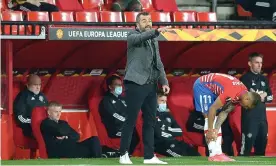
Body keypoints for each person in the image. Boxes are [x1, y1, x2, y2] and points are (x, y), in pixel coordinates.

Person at [119, 12, 170, 165]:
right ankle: (123, 154)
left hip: (151, 84)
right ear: (137, 24)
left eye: (149, 20)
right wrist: (154, 32)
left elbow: (158, 62)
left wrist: (164, 82)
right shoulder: (132, 36)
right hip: (135, 83)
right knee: (131, 119)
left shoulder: (154, 40)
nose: (147, 22)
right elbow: (141, 37)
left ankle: (149, 156)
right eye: (143, 21)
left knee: (150, 121)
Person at [193, 73, 261, 162]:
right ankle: (213, 154)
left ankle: (218, 153)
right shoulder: (231, 92)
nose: (245, 108)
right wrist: (210, 130)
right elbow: (212, 109)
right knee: (207, 115)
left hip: (212, 88)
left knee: (216, 117)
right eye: (247, 106)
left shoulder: (241, 94)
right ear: (247, 99)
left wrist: (216, 129)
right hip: (203, 85)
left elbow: (225, 112)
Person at [239, 53, 273, 156]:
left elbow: (271, 97)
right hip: (250, 118)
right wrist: (261, 95)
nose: (259, 65)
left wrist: (261, 95)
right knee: (246, 148)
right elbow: (248, 97)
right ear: (250, 63)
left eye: (261, 63)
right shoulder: (244, 79)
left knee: (261, 147)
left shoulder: (264, 79)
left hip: (262, 119)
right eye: (256, 62)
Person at [99, 75, 140, 156]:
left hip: (124, 126)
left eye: (120, 85)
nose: (120, 87)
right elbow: (113, 115)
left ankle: (127, 153)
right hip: (114, 128)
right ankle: (124, 153)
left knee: (139, 131)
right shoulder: (106, 100)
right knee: (133, 134)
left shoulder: (122, 99)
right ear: (110, 86)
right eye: (117, 85)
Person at [154, 91, 200, 157]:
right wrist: (169, 130)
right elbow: (158, 133)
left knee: (195, 154)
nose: (164, 103)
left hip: (174, 141)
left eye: (165, 101)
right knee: (184, 157)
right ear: (155, 102)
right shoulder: (151, 115)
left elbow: (179, 131)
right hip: (161, 144)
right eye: (162, 101)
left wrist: (165, 129)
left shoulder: (168, 115)